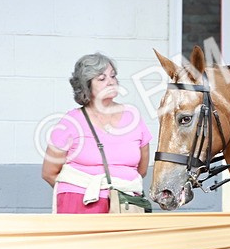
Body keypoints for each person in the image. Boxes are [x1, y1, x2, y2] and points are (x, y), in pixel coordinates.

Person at [41, 53, 152, 213]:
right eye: (101, 78)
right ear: (86, 86)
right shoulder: (71, 122)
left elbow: (141, 170)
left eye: (113, 76)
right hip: (80, 204)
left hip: (124, 205)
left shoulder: (133, 117)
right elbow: (49, 172)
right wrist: (77, 193)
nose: (111, 82)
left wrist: (115, 190)